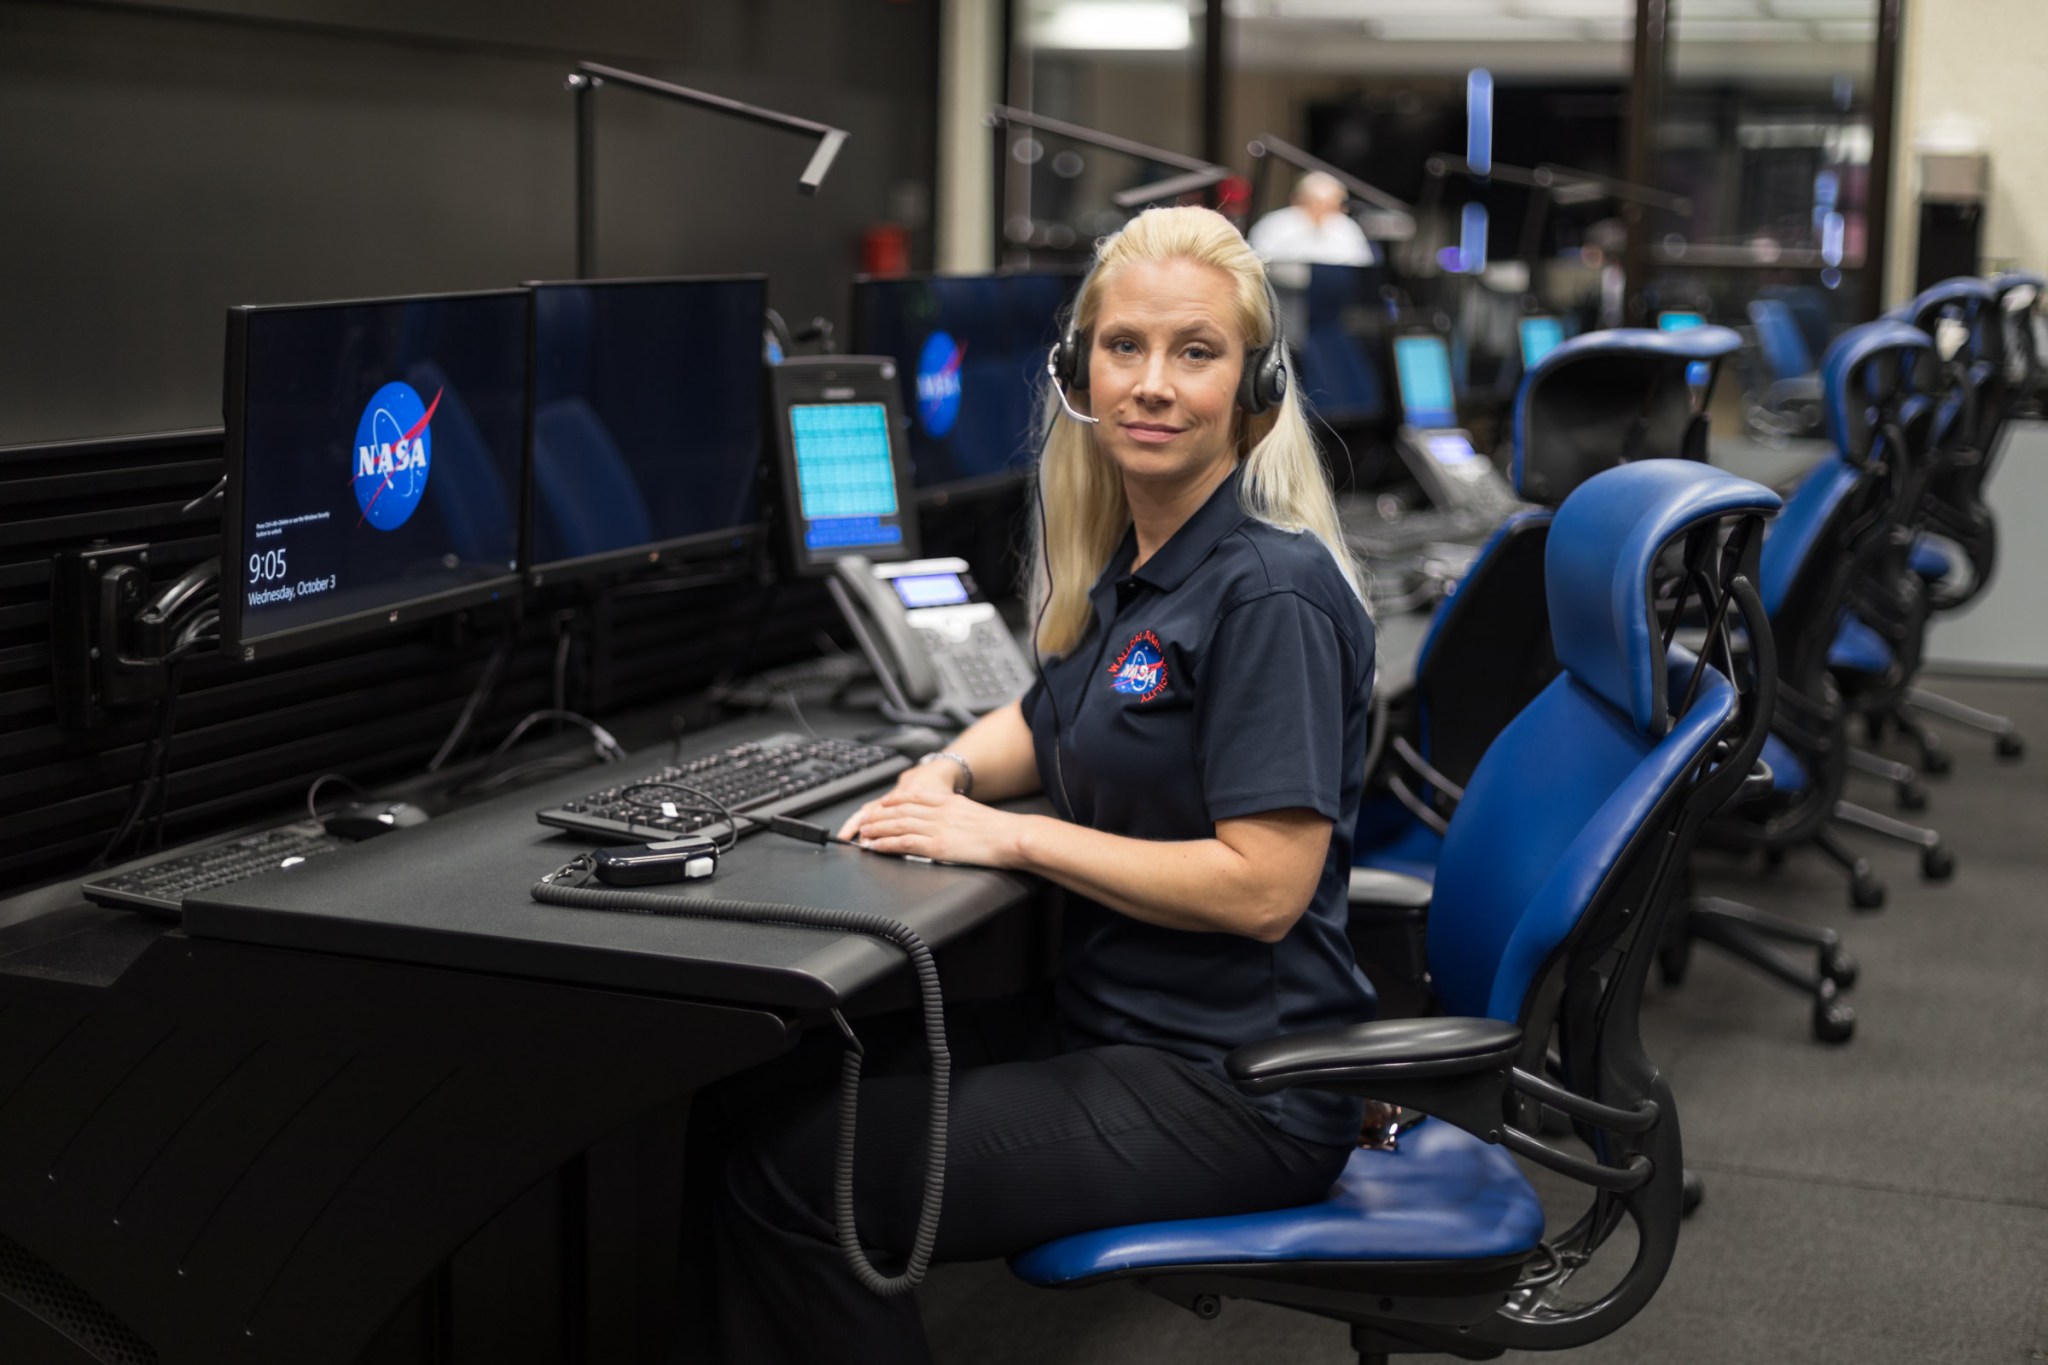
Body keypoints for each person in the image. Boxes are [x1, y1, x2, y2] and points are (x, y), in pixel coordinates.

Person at [710, 206, 1379, 1364]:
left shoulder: (1267, 594)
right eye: (1122, 348)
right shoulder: (1143, 566)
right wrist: (950, 767)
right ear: (1077, 372)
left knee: (800, 1179)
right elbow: (1049, 710)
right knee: (747, 1092)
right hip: (1119, 1025)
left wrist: (1008, 841)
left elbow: (1263, 888)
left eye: (1194, 351)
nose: (1151, 384)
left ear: (1254, 387)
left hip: (1233, 1087)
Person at [1248, 170, 1377, 266]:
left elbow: (1362, 265)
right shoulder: (1274, 224)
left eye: (1330, 206)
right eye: (1315, 203)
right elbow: (1258, 263)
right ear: (1298, 200)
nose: (1321, 211)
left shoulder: (1347, 227)